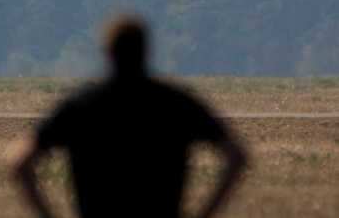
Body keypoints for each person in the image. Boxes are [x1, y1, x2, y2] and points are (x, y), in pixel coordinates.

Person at [13, 14, 248, 218]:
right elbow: (237, 155)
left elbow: (20, 162)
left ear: (107, 52)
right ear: (147, 50)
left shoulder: (81, 105)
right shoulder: (175, 103)